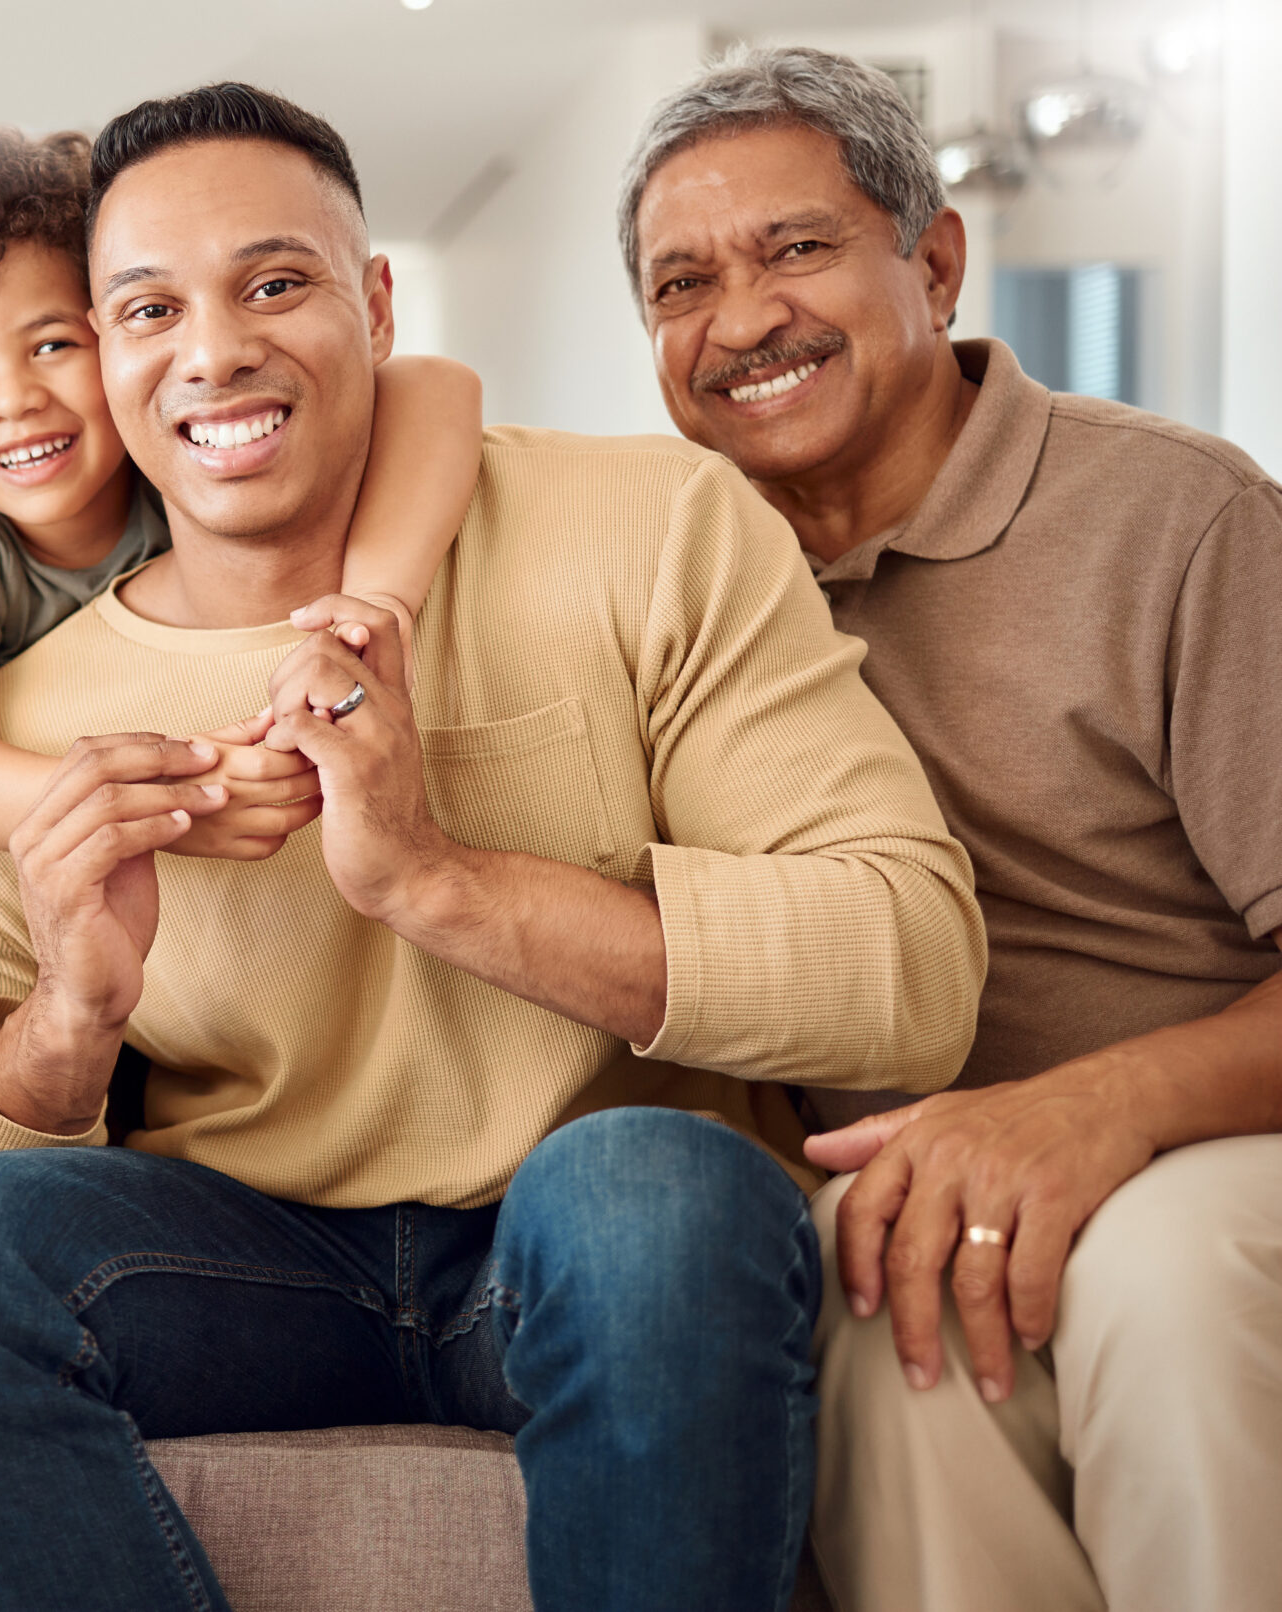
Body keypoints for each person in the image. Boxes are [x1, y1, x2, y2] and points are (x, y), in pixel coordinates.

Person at [0, 81, 984, 1612]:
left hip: (577, 1244)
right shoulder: (38, 721)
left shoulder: (648, 526)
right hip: (245, 1268)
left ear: (375, 306)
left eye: (277, 284)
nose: (217, 349)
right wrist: (65, 1027)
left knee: (650, 1187)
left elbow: (912, 968)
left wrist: (434, 879)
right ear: (105, 358)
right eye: (149, 308)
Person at [621, 45, 1282, 1612]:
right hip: (901, 1179)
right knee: (873, 1300)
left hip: (1212, 1138)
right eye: (680, 283)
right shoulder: (668, 573)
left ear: (932, 260)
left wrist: (1089, 1112)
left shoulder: (1184, 519)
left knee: (1159, 1275)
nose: (741, 320)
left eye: (796, 249)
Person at [0, 126, 486, 853]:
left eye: (51, 346)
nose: (14, 401)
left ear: (118, 344)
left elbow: (436, 385)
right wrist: (176, 806)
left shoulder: (183, 454)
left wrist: (375, 607)